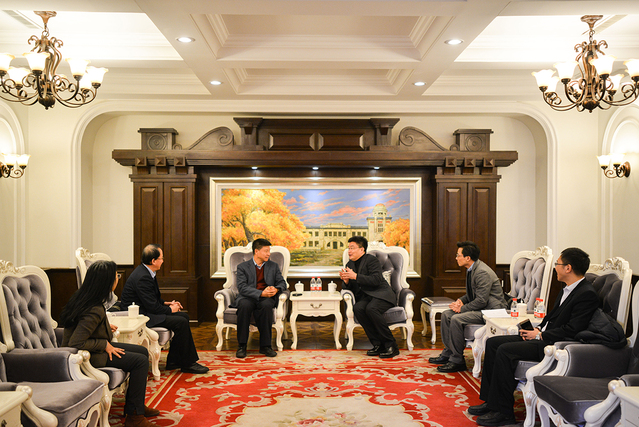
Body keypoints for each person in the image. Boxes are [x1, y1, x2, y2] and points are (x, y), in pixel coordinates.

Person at [469, 247, 599, 426]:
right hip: (542, 336)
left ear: (568, 268)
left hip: (553, 344)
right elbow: (553, 318)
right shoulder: (567, 289)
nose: (555, 267)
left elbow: (573, 329)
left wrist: (540, 334)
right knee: (493, 343)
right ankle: (491, 403)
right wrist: (536, 329)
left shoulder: (587, 294)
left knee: (505, 350)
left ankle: (504, 412)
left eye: (558, 264)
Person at [60, 260, 161, 427]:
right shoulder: (94, 308)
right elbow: (76, 342)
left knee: (141, 351)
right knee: (140, 361)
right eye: (116, 276)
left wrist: (105, 327)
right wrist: (104, 345)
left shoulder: (86, 298)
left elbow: (87, 327)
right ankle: (134, 417)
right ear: (107, 281)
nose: (118, 279)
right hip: (86, 358)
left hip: (91, 352)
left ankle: (136, 406)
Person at [121, 244, 208, 374]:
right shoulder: (143, 277)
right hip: (140, 317)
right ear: (153, 261)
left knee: (184, 317)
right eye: (161, 258)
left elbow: (151, 299)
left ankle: (174, 360)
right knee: (181, 321)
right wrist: (170, 310)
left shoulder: (146, 272)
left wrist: (166, 303)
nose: (163, 261)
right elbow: (151, 306)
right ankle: (188, 363)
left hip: (146, 311)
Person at [429, 241, 508, 372]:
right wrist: (461, 300)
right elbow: (473, 294)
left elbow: (481, 301)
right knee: (446, 314)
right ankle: (448, 353)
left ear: (467, 258)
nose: (456, 258)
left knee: (456, 319)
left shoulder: (482, 272)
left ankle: (457, 361)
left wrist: (462, 308)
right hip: (482, 308)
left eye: (458, 255)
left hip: (491, 312)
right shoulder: (472, 269)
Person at [339, 236, 399, 358]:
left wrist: (355, 276)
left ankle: (391, 345)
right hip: (368, 297)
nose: (349, 251)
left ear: (362, 249)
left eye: (352, 248)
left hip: (382, 294)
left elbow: (376, 280)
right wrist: (346, 281)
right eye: (348, 248)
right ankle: (378, 344)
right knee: (358, 308)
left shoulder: (371, 260)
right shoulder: (349, 264)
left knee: (372, 309)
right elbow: (353, 287)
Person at [234, 238, 288, 358]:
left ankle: (265, 346)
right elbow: (242, 287)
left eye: (269, 251)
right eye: (266, 251)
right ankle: (242, 346)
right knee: (244, 306)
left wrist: (276, 289)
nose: (269, 254)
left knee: (267, 306)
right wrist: (260, 293)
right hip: (248, 297)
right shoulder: (242, 267)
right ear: (256, 251)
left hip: (266, 298)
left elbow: (282, 283)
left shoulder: (273, 266)